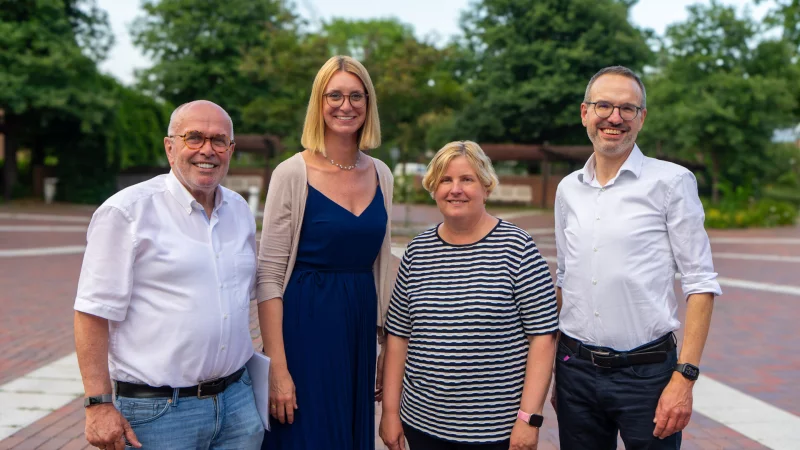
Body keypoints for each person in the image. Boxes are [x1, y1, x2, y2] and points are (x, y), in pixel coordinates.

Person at [74, 100, 263, 449]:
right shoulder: (126, 213)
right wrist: (98, 404)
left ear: (231, 150)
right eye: (194, 137)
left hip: (238, 404)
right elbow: (91, 313)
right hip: (159, 413)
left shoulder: (239, 211)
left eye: (219, 140)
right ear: (170, 146)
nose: (207, 149)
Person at [552, 66, 722, 449]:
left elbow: (700, 283)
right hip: (574, 371)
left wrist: (685, 378)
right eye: (604, 106)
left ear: (641, 118)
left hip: (647, 376)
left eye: (628, 109)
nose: (615, 117)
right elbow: (565, 277)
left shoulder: (672, 182)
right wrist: (553, 372)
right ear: (584, 113)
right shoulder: (568, 190)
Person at [379, 141, 559, 450]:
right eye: (445, 180)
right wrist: (390, 413)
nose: (455, 189)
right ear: (433, 188)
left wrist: (529, 418)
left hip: (496, 431)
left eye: (467, 179)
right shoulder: (418, 252)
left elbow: (543, 337)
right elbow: (399, 337)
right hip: (422, 423)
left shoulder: (517, 249)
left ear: (486, 187)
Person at [257, 55, 393, 450]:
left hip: (358, 331)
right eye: (334, 95)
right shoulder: (292, 173)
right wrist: (277, 369)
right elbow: (268, 276)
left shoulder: (381, 174)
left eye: (355, 95)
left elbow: (382, 267)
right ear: (319, 103)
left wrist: (384, 346)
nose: (345, 105)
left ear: (368, 104)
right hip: (304, 330)